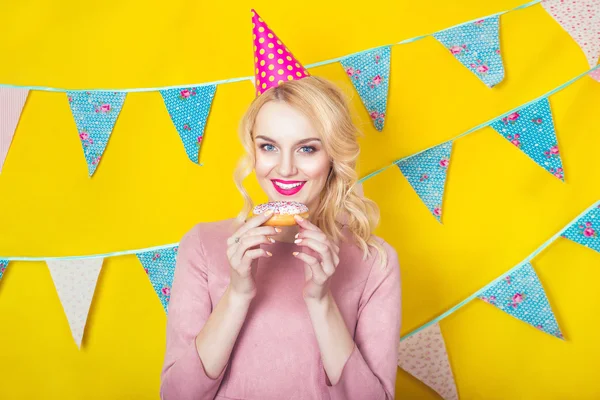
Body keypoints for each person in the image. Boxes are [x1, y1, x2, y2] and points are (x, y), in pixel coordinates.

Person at [159, 9, 401, 400]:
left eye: (307, 148)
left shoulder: (376, 260)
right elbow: (177, 396)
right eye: (269, 146)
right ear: (252, 151)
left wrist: (321, 299)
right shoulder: (203, 245)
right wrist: (238, 292)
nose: (285, 168)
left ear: (333, 158)